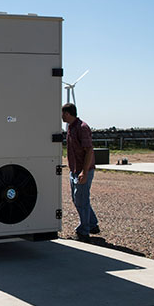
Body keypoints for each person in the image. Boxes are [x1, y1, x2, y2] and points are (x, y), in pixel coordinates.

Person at [62, 103, 100, 242]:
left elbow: (89, 150)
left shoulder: (82, 128)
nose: (61, 117)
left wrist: (84, 172)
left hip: (82, 171)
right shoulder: (71, 128)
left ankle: (83, 232)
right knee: (78, 199)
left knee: (81, 200)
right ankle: (92, 224)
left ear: (67, 114)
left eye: (62, 114)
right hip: (75, 170)